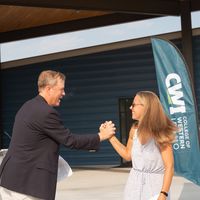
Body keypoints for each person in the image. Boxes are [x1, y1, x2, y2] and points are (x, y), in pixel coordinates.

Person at [0, 70, 115, 200]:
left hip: (9, 180)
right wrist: (101, 136)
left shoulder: (27, 106)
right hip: (27, 187)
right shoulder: (47, 113)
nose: (63, 93)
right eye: (61, 89)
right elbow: (71, 141)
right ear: (49, 89)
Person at [105, 91, 179, 200]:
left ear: (146, 107)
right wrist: (110, 136)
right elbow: (127, 155)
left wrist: (163, 194)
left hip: (155, 190)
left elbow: (169, 166)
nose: (130, 107)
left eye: (134, 104)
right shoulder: (134, 130)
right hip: (133, 188)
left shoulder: (161, 132)